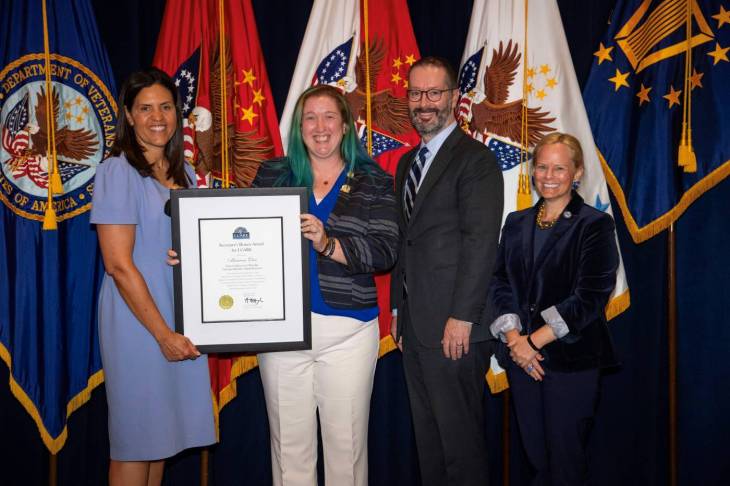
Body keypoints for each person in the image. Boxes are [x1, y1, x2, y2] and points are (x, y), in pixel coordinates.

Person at [252, 84, 399, 486]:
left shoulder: (374, 181)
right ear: (299, 128)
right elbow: (240, 236)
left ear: (346, 125)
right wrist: (199, 260)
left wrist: (327, 243)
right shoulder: (272, 175)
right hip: (281, 333)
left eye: (329, 116)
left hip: (348, 333)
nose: (320, 127)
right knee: (289, 454)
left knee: (346, 453)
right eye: (310, 118)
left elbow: (385, 251)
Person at [90, 68, 215, 486]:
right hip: (139, 322)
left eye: (165, 107)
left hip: (181, 319)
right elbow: (118, 266)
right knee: (135, 441)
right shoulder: (117, 172)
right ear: (128, 115)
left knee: (161, 440)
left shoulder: (187, 175)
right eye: (145, 108)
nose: (157, 116)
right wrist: (162, 334)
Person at [389, 56, 504, 486]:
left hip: (456, 329)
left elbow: (480, 244)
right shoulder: (406, 164)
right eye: (416, 94)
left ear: (454, 98)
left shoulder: (476, 161)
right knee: (430, 447)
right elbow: (407, 241)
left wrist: (463, 316)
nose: (424, 103)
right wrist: (398, 309)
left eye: (434, 93)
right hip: (416, 329)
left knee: (462, 451)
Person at [489, 132, 619, 485]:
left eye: (559, 168)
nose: (548, 175)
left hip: (570, 361)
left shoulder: (595, 225)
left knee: (565, 463)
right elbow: (500, 282)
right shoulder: (516, 222)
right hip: (522, 361)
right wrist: (515, 339)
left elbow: (590, 296)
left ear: (576, 173)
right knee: (537, 459)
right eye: (542, 166)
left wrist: (533, 343)